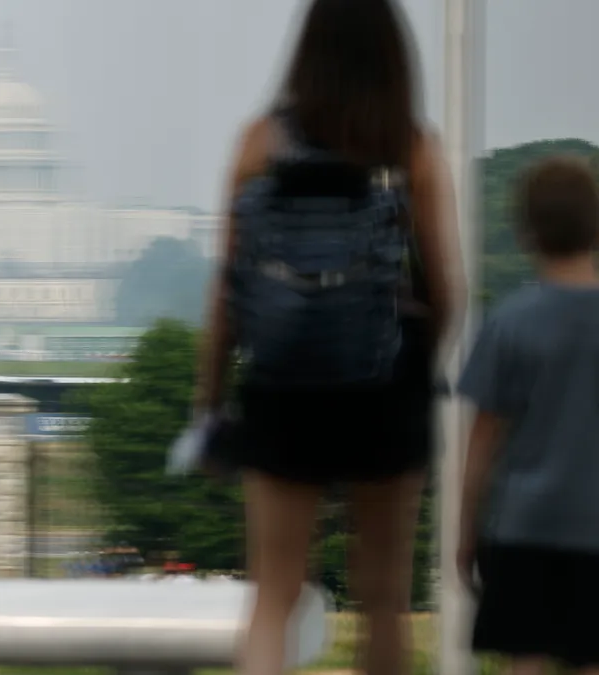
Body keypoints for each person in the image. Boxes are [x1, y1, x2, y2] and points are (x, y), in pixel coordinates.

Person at [197, 1, 463, 673]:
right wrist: (419, 364)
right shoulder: (411, 145)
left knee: (274, 595)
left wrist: (210, 400)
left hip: (283, 380)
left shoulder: (260, 142)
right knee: (381, 600)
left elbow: (227, 292)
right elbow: (446, 287)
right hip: (386, 382)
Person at [458, 157, 599, 675]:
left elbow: (483, 438)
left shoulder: (509, 322)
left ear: (526, 232)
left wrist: (466, 529)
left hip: (523, 525)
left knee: (525, 660)